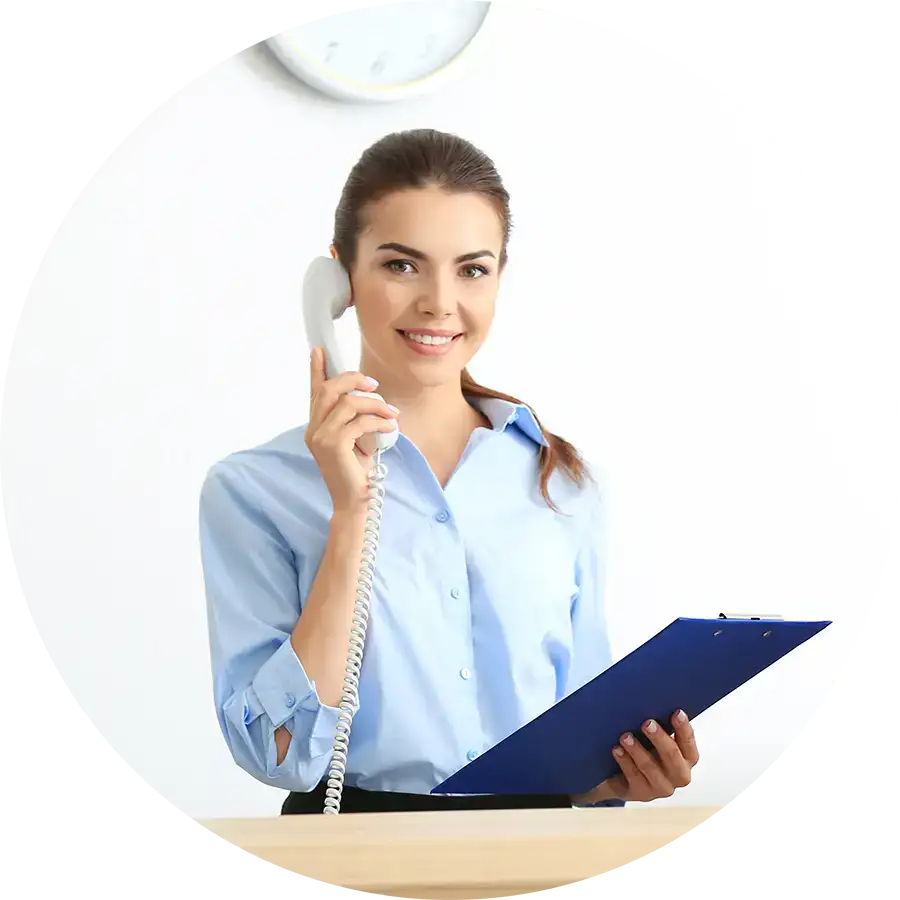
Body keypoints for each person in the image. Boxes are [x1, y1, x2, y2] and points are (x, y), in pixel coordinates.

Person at [198, 128, 700, 815]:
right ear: (339, 281)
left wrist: (620, 773)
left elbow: (580, 739)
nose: (439, 301)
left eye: (472, 269)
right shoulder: (255, 492)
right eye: (402, 265)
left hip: (540, 856)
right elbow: (276, 754)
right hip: (364, 853)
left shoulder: (562, 483)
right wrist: (351, 515)